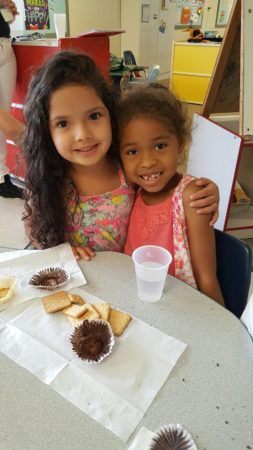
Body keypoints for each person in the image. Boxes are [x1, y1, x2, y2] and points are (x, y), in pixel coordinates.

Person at [19, 51, 218, 261]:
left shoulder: (127, 168)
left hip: (125, 284)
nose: (83, 135)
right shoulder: (49, 179)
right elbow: (35, 229)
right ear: (46, 131)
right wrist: (61, 251)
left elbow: (172, 187)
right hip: (77, 285)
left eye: (94, 116)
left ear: (110, 114)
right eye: (63, 123)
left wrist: (205, 191)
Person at [117, 83, 224, 305]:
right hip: (134, 300)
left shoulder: (192, 197)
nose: (147, 162)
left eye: (160, 146)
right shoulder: (131, 189)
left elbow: (207, 278)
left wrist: (219, 330)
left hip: (178, 307)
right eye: (133, 151)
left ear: (181, 144)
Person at [0, 0, 22, 198]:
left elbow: (8, 19)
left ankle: (2, 176)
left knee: (4, 116)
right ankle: (1, 178)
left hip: (6, 46)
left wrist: (9, 10)